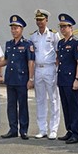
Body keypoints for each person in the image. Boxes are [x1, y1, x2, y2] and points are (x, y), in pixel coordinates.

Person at [1, 15, 35, 140]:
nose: (14, 30)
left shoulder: (27, 44)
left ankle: (24, 130)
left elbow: (30, 62)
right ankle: (13, 129)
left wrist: (31, 79)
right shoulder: (8, 44)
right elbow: (6, 60)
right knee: (11, 105)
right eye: (12, 28)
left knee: (23, 105)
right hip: (10, 79)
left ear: (21, 29)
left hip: (22, 79)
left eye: (16, 28)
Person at [30, 9, 60, 140]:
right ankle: (42, 129)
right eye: (37, 19)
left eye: (41, 19)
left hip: (50, 68)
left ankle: (53, 129)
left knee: (53, 99)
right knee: (40, 100)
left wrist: (56, 68)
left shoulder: (54, 35)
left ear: (46, 20)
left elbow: (59, 53)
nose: (39, 22)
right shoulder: (33, 36)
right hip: (38, 69)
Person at [55, 13, 78, 144]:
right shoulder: (61, 43)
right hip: (62, 79)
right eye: (61, 27)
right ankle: (70, 130)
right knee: (65, 106)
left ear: (71, 27)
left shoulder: (76, 42)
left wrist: (77, 79)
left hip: (71, 79)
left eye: (65, 27)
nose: (62, 29)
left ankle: (77, 133)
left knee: (74, 107)